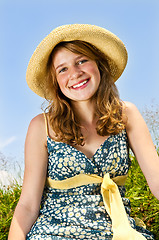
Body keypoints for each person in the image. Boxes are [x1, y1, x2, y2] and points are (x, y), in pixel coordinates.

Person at [8, 24, 159, 240]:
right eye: (63, 69)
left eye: (81, 61)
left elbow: (157, 181)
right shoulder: (41, 126)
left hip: (117, 233)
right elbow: (28, 205)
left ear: (98, 64)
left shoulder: (126, 115)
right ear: (56, 82)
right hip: (54, 234)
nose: (75, 73)